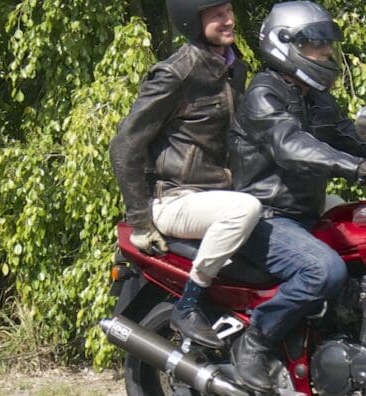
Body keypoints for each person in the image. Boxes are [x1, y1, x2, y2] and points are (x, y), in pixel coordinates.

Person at [226, 1, 366, 392]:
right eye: (316, 44)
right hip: (264, 217)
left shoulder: (319, 99)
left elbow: (357, 143)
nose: (327, 52)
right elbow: (292, 145)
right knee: (324, 271)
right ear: (285, 44)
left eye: (327, 44)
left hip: (305, 216)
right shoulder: (262, 95)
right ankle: (255, 342)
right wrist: (356, 168)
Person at [108, 0, 261, 350]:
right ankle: (189, 303)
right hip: (178, 197)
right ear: (193, 22)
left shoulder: (234, 68)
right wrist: (141, 222)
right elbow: (125, 145)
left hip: (220, 195)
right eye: (217, 14)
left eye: (229, 11)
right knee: (245, 209)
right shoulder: (176, 72)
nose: (229, 20)